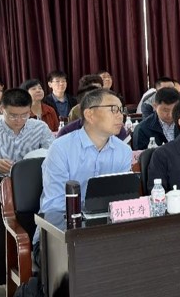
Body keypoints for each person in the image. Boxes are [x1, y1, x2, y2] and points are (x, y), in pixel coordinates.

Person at [39, 88, 132, 216]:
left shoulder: (123, 150)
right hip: (64, 222)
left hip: (106, 222)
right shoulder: (61, 148)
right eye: (113, 109)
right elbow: (55, 205)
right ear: (89, 115)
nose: (120, 116)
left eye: (121, 110)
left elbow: (122, 198)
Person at [0, 88, 54, 174]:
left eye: (24, 115)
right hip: (0, 182)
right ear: (1, 109)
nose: (19, 120)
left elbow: (54, 155)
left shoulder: (40, 127)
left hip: (33, 180)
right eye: (13, 116)